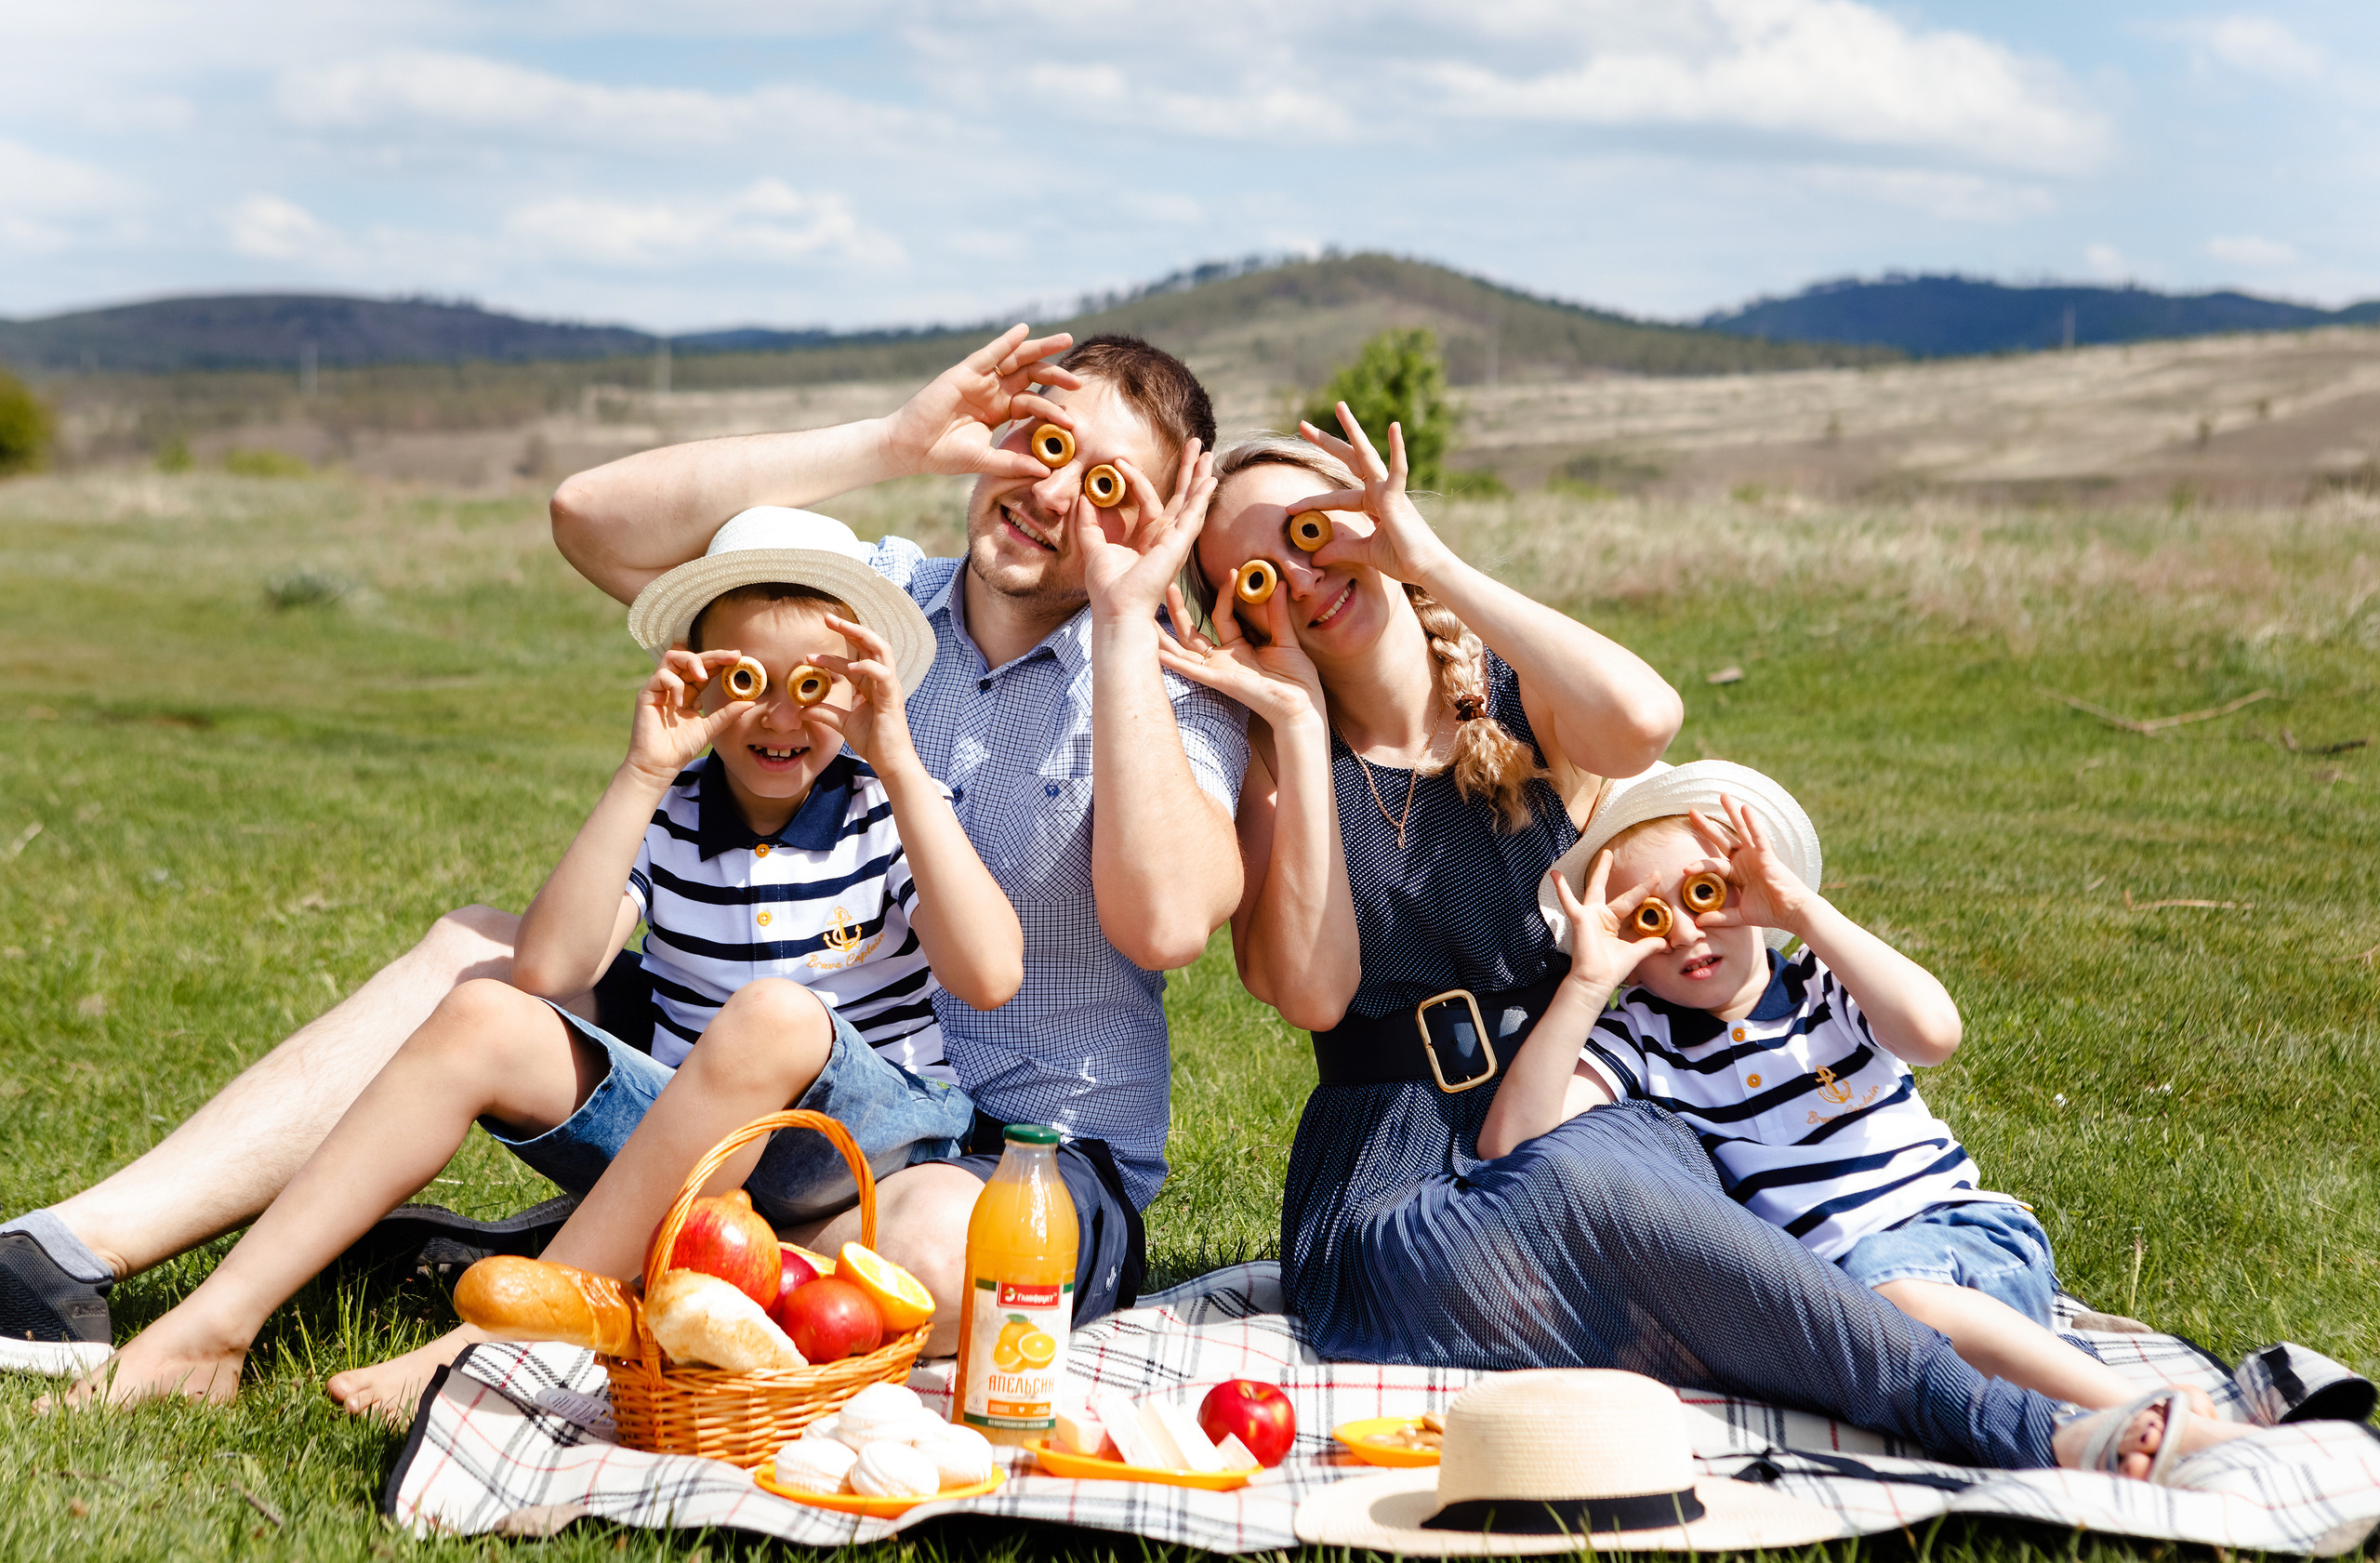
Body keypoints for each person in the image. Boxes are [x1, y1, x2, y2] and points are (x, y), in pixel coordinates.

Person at [3, 328, 1246, 1419]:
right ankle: (72, 1252)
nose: (1051, 493)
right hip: (751, 1068)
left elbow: (1170, 919)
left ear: (1166, 523)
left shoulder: (1157, 682)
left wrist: (1130, 619)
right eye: (1041, 443)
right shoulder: (866, 608)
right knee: (478, 956)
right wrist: (899, 438)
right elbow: (591, 517)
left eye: (1108, 487)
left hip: (1015, 1153)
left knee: (930, 1249)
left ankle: (572, 1276)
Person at [1154, 411, 2244, 1478]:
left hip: (1585, 1093)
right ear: (1238, 618)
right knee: (1601, 1208)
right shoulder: (1274, 757)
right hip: (1396, 1183)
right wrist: (1297, 731)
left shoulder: (1512, 690)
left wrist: (1428, 555)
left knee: (1648, 1211)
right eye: (1251, 576)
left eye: (1310, 532)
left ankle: (1980, 1393)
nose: (1297, 578)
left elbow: (1644, 719)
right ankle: (2019, 1426)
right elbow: (1310, 991)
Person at [65, 525, 1025, 1406]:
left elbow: (987, 976)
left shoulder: (891, 806)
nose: (778, 715)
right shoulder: (673, 811)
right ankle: (214, 1329)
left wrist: (898, 763)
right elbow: (550, 967)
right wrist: (642, 774)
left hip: (857, 1146)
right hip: (694, 1151)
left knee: (772, 1017)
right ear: (693, 682)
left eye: (813, 685)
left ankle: (501, 1336)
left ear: (861, 690)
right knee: (482, 1012)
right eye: (744, 682)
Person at [1475, 760, 2225, 1424]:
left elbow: (1934, 1033)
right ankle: (2063, 1418)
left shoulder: (1818, 987)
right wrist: (1588, 979)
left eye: (1706, 892)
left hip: (1960, 1240)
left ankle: (2129, 1406)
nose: (1684, 932)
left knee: (1889, 1308)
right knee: (1886, 1363)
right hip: (1852, 1304)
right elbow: (1511, 1142)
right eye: (1647, 917)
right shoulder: (1642, 1037)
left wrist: (1801, 912)